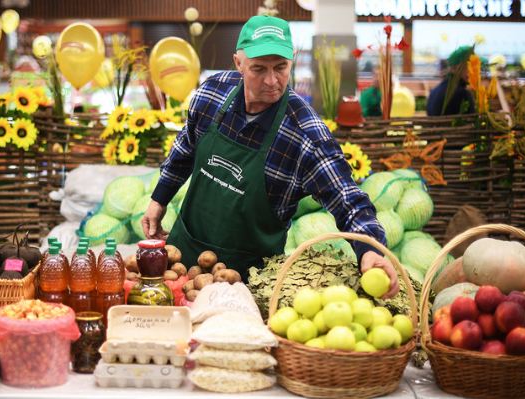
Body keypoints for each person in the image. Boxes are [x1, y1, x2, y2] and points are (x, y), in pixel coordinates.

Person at [142, 15, 399, 298]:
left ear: (293, 61)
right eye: (258, 69)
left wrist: (371, 249)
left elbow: (348, 199)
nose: (272, 80)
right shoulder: (211, 94)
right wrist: (159, 199)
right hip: (182, 267)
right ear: (238, 63)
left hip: (248, 285)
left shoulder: (305, 134)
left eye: (280, 67)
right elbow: (185, 149)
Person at [426, 46, 476, 116]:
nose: (472, 71)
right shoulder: (463, 94)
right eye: (467, 67)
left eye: (474, 66)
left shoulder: (434, 91)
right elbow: (472, 121)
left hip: (433, 127)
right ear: (454, 68)